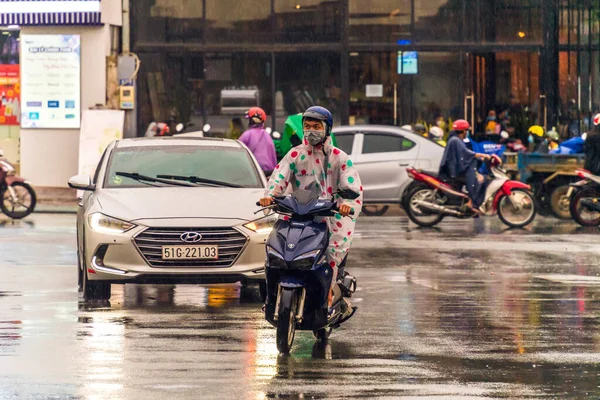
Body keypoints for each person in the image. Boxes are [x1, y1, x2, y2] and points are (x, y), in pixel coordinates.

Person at [259, 106, 363, 315]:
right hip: (298, 212)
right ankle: (271, 298)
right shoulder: (295, 154)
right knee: (276, 245)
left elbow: (353, 188)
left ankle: (329, 294)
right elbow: (279, 177)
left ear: (327, 129)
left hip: (332, 215)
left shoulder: (339, 158)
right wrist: (270, 195)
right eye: (307, 126)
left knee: (333, 251)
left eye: (316, 126)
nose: (311, 130)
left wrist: (347, 205)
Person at [439, 119, 491, 213]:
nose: (466, 133)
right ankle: (471, 204)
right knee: (479, 180)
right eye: (466, 130)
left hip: (454, 169)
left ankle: (470, 202)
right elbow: (466, 153)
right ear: (463, 131)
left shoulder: (455, 139)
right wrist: (482, 155)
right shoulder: (456, 141)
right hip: (454, 171)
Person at [238, 107, 277, 175]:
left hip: (253, 171)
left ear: (251, 120)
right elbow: (273, 156)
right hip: (269, 171)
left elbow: (238, 151)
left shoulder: (247, 134)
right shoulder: (267, 135)